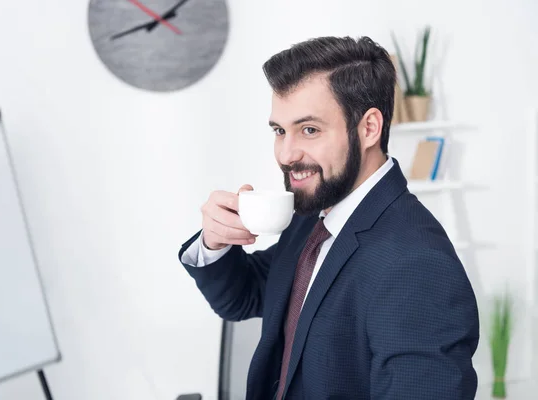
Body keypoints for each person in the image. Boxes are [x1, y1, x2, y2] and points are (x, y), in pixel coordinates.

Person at [178, 35, 479, 400]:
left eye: (309, 130)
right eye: (279, 131)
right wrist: (215, 241)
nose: (286, 154)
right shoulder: (315, 219)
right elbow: (243, 298)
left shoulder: (416, 263)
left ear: (368, 128)